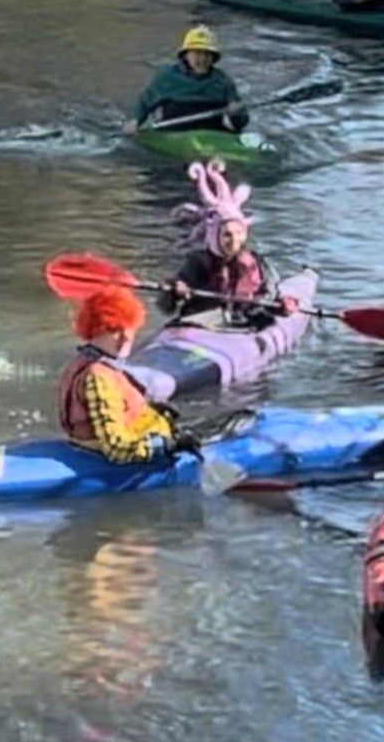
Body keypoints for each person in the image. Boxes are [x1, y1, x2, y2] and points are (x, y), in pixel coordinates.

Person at [58, 286, 201, 464]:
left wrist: (151, 409)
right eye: (114, 330)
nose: (126, 337)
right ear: (95, 330)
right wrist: (168, 446)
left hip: (126, 437)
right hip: (121, 458)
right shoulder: (98, 377)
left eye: (128, 329)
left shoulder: (83, 362)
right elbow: (117, 448)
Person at [160, 159, 293, 329]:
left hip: (247, 321)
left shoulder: (258, 263)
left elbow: (272, 296)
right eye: (227, 235)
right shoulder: (198, 262)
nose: (234, 241)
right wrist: (174, 291)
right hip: (203, 321)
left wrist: (283, 305)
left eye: (238, 233)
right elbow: (166, 306)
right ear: (215, 237)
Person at [123, 26, 249, 136]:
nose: (202, 59)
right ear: (186, 55)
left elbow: (240, 122)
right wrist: (134, 121)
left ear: (213, 58)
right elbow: (144, 103)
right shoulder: (166, 78)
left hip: (212, 133)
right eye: (197, 53)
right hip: (173, 133)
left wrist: (237, 114)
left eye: (207, 54)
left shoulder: (223, 81)